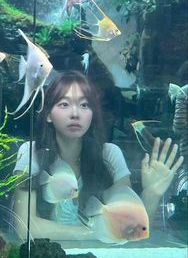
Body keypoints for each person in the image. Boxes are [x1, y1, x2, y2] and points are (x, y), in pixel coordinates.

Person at [13, 71, 184, 241]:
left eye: (84, 105)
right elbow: (24, 227)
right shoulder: (30, 153)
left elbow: (129, 229)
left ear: (93, 113)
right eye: (64, 104)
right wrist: (93, 233)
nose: (75, 114)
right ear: (48, 114)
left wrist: (152, 193)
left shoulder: (110, 154)